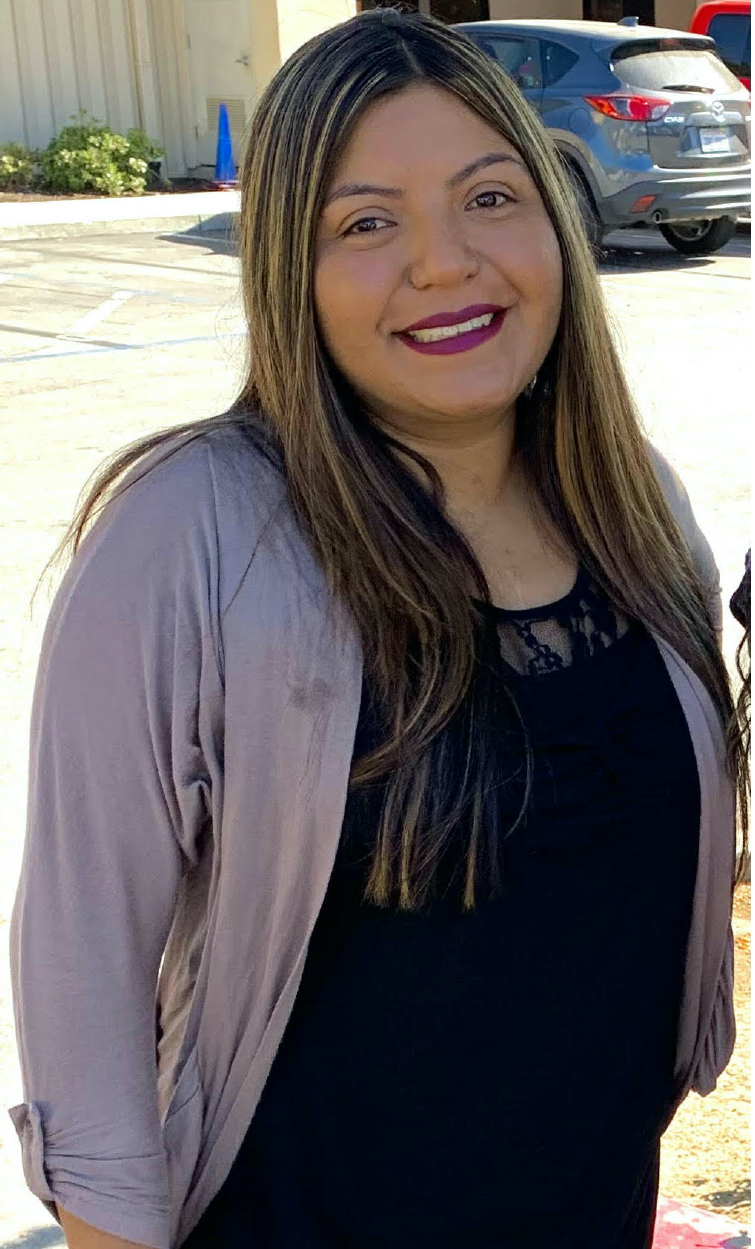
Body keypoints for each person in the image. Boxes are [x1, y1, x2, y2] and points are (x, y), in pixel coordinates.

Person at [9, 10, 747, 1249]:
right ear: (286, 273)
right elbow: (82, 986)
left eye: (489, 199)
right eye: (364, 224)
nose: (445, 264)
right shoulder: (190, 535)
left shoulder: (636, 508)